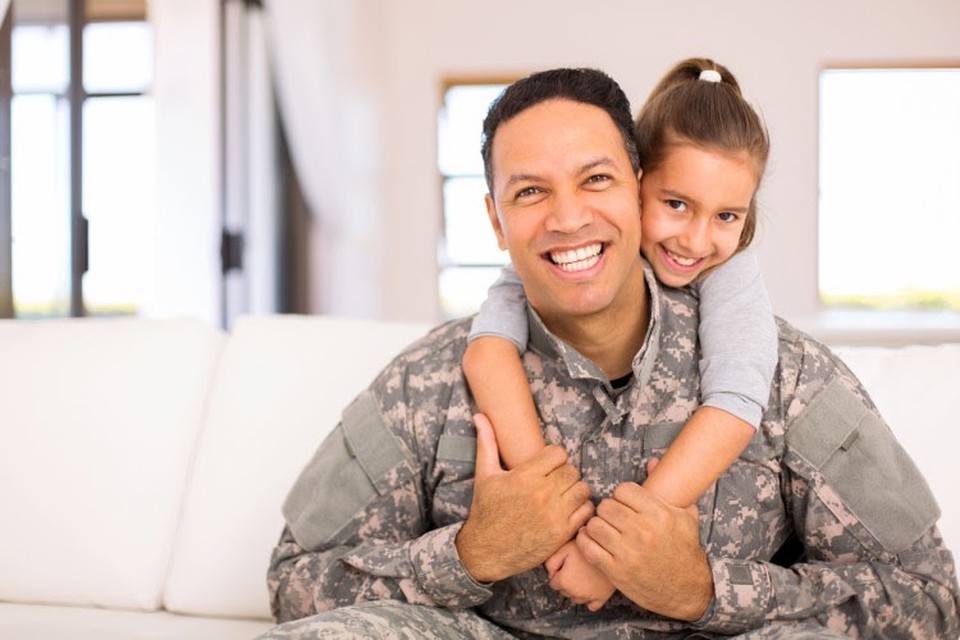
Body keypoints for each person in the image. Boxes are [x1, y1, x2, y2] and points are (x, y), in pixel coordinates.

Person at [260, 65, 960, 638]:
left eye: (595, 179)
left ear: (637, 186)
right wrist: (470, 554)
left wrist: (707, 591)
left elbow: (931, 598)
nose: (568, 218)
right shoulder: (429, 380)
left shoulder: (782, 374)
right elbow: (294, 582)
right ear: (495, 222)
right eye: (530, 192)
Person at [463, 58, 777, 612]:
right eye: (675, 204)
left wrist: (614, 552)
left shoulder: (731, 275)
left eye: (728, 217)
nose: (696, 240)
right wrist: (553, 523)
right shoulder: (551, 263)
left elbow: (737, 398)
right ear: (640, 190)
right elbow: (486, 355)